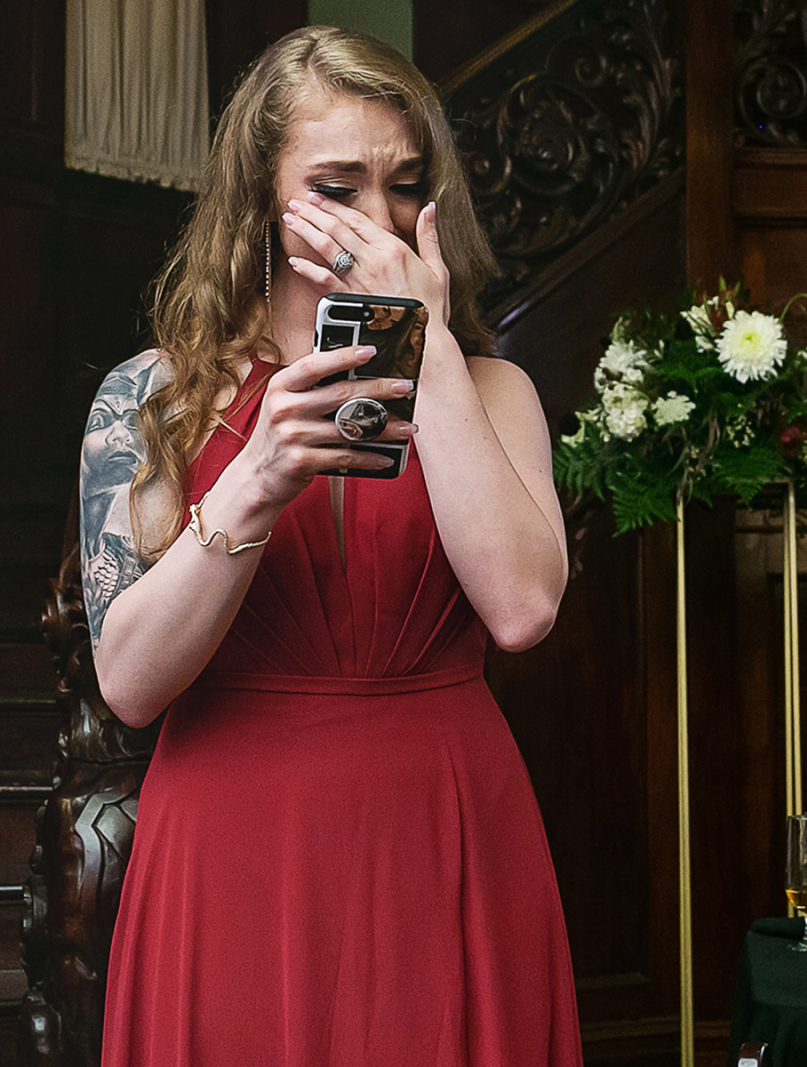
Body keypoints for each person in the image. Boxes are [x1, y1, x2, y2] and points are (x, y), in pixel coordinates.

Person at [82, 27, 582, 1065]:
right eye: (337, 186)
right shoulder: (154, 393)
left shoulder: (493, 390)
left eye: (404, 184)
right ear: (260, 198)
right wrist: (257, 477)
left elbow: (523, 608)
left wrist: (428, 346)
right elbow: (130, 683)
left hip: (442, 823)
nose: (381, 219)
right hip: (230, 840)